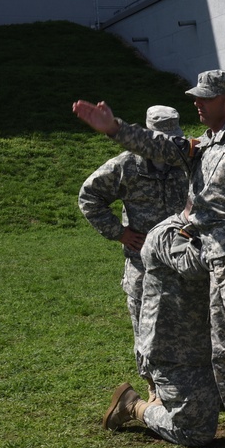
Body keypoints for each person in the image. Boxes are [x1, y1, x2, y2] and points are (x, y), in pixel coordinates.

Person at [73, 70, 225, 448]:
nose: (197, 103)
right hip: (214, 257)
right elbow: (157, 144)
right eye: (196, 96)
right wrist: (115, 128)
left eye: (205, 98)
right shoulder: (203, 146)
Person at [100, 211, 219, 448]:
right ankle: (134, 406)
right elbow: (192, 265)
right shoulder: (168, 234)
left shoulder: (210, 229)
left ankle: (165, 400)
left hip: (206, 345)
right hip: (174, 351)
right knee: (195, 432)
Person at [77, 105, 189, 345]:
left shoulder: (186, 160)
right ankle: (150, 380)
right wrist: (119, 233)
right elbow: (89, 196)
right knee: (145, 333)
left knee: (187, 334)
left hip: (184, 263)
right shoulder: (125, 166)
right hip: (143, 265)